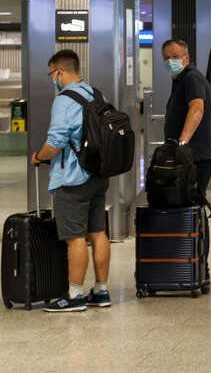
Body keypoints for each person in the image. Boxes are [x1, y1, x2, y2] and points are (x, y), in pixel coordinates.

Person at [32, 50, 112, 312]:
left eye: (51, 74)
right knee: (98, 233)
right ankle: (101, 291)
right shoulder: (96, 94)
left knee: (75, 238)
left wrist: (38, 156)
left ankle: (75, 296)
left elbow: (55, 143)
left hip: (73, 179)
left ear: (60, 71)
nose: (52, 79)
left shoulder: (65, 100)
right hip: (99, 175)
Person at [162, 39, 211, 199]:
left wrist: (182, 143)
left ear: (186, 57)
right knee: (191, 207)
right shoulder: (179, 79)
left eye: (175, 56)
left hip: (196, 157)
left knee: (191, 204)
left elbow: (197, 109)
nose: (170, 61)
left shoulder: (191, 77)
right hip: (188, 156)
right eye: (166, 58)